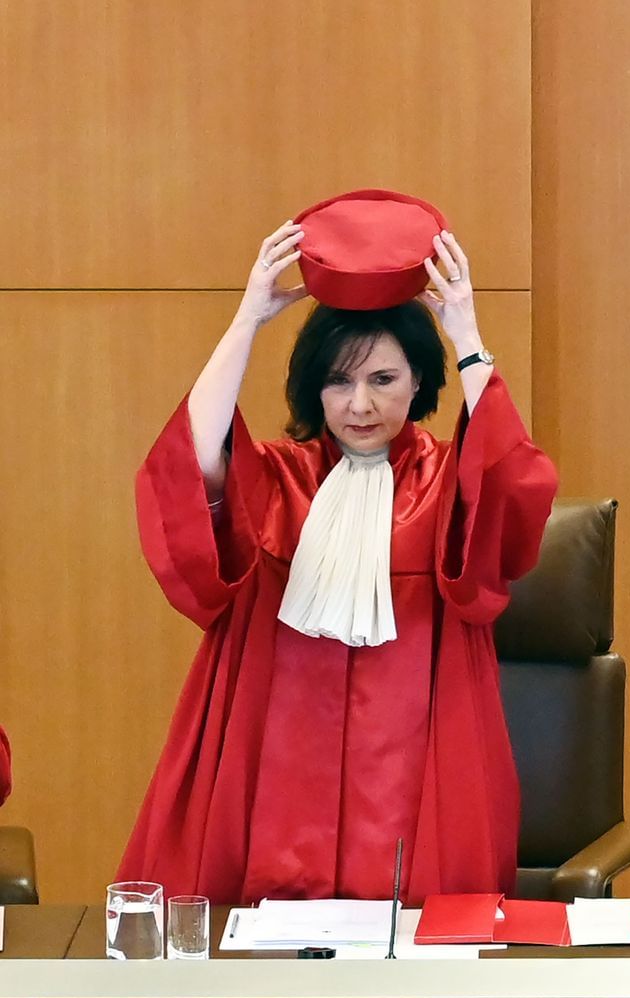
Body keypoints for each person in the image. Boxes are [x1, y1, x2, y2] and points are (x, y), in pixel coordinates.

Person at [120, 190, 557, 902]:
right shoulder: (277, 481)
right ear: (312, 389)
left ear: (420, 381)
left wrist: (468, 337)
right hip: (276, 758)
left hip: (417, 759)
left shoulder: (447, 482)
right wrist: (247, 319)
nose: (360, 405)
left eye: (383, 379)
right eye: (338, 381)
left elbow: (514, 488)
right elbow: (189, 465)